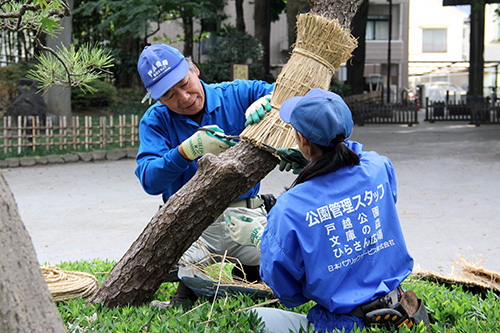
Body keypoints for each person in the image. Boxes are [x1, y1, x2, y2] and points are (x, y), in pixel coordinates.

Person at [226, 88, 430, 332]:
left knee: (254, 317)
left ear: (301, 139)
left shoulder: (290, 207)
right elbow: (362, 166)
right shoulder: (378, 166)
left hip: (347, 324)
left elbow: (289, 293)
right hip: (401, 310)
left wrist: (263, 240)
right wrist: (316, 162)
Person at [135, 44, 275, 307]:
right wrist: (185, 151)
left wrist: (272, 102)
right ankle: (188, 290)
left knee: (277, 266)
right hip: (189, 222)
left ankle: (249, 277)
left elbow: (290, 92)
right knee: (184, 279)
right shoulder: (155, 121)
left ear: (194, 69)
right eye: (168, 95)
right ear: (158, 99)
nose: (184, 98)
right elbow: (149, 180)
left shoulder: (237, 94)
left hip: (245, 215)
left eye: (184, 83)